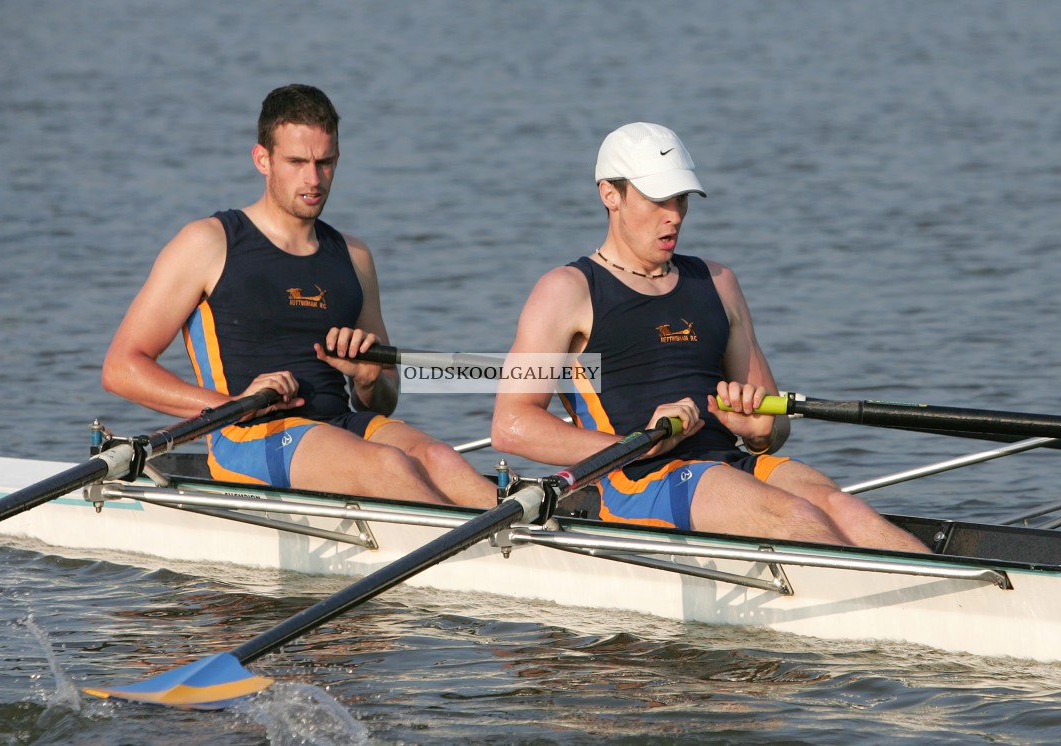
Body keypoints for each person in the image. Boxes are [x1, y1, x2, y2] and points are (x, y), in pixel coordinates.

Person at [491, 122, 930, 551]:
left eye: (681, 198)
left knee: (846, 509)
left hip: (731, 463)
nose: (675, 215)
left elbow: (771, 428)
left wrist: (760, 431)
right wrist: (638, 445)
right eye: (658, 199)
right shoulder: (566, 290)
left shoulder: (718, 282)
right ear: (611, 194)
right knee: (796, 517)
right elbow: (513, 426)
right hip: (638, 477)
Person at [103, 84, 494, 508]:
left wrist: (366, 378)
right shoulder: (208, 242)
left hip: (341, 424)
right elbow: (122, 367)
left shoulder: (354, 256)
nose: (313, 179)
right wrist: (229, 404)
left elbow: (383, 396)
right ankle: (479, 563)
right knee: (388, 466)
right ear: (262, 160)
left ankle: (523, 553)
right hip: (249, 435)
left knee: (441, 458)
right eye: (297, 162)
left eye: (325, 163)